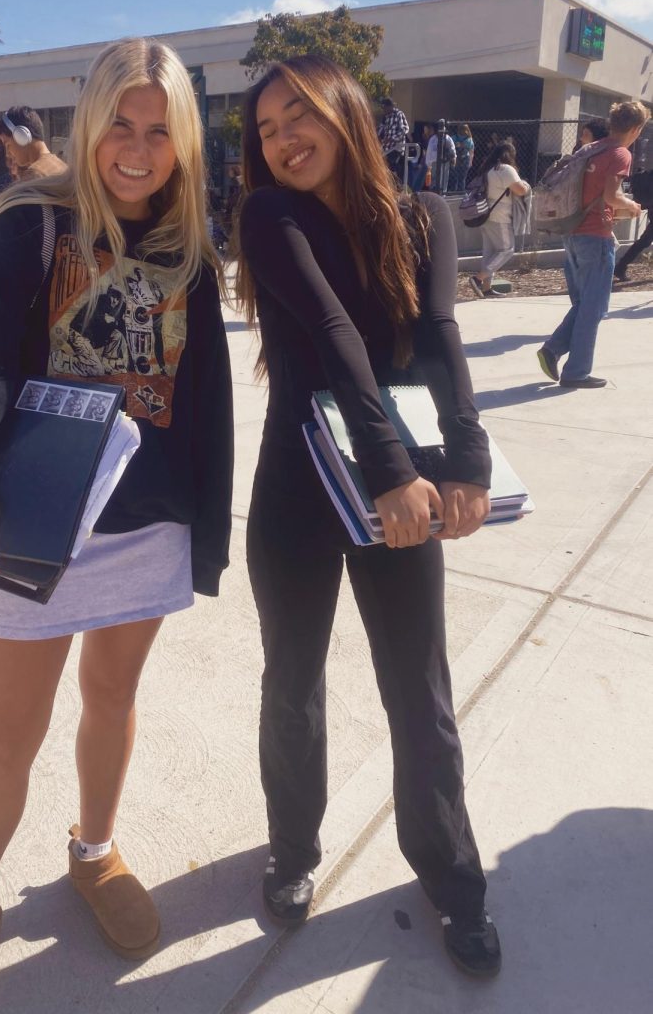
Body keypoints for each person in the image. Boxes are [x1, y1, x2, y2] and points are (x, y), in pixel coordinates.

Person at [0, 38, 233, 1014]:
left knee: (113, 702)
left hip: (146, 522)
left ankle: (92, 851)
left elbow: (200, 384)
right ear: (89, 127)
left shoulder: (188, 243)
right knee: (8, 739)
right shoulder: (32, 226)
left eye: (158, 132)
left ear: (183, 143)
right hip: (31, 525)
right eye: (120, 126)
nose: (136, 149)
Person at [236, 54, 501, 978]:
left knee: (418, 691)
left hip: (406, 487)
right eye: (266, 129)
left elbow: (437, 337)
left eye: (298, 115)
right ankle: (293, 849)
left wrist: (467, 458)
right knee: (293, 681)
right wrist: (389, 468)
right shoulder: (270, 215)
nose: (281, 140)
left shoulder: (423, 216)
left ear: (346, 112)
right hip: (302, 484)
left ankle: (453, 878)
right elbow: (328, 332)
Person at [538, 100, 649, 389]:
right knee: (595, 307)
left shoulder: (591, 148)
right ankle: (576, 371)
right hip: (596, 237)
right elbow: (612, 196)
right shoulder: (620, 153)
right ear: (636, 128)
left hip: (572, 232)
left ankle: (552, 350)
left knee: (585, 303)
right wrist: (632, 206)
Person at [468, 142, 530, 298]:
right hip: (501, 217)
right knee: (507, 249)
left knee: (489, 253)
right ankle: (478, 279)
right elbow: (520, 190)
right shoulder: (506, 169)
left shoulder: (488, 169)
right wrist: (527, 186)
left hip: (485, 214)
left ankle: (486, 289)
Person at [0, 104, 67, 182]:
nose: (7, 153)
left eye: (7, 145)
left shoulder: (35, 176)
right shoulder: (62, 166)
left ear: (21, 136)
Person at [376, 95, 409, 181]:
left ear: (390, 106)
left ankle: (397, 186)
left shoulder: (398, 114)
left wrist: (393, 138)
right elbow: (380, 129)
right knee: (384, 167)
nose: (383, 110)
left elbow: (405, 129)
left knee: (392, 167)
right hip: (386, 148)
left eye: (384, 107)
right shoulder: (385, 117)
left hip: (396, 147)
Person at [425, 118, 457, 195]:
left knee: (444, 179)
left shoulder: (448, 139)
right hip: (434, 162)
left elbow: (452, 150)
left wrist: (453, 158)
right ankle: (433, 194)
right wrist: (428, 164)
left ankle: (443, 194)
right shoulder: (433, 139)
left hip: (445, 162)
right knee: (434, 180)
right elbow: (429, 152)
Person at [451, 123, 475, 191]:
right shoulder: (469, 139)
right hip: (465, 158)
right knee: (462, 178)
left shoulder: (454, 137)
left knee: (455, 177)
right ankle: (460, 191)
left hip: (456, 158)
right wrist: (471, 161)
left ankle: (453, 191)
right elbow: (471, 151)